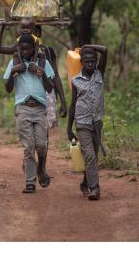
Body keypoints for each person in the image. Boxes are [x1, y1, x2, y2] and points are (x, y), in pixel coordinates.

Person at [3, 34, 54, 193]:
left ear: (34, 49)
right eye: (22, 49)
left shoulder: (43, 62)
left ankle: (41, 168)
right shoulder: (14, 63)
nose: (25, 51)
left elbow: (50, 87)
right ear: (18, 49)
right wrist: (13, 72)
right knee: (29, 147)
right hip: (23, 108)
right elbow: (8, 88)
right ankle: (30, 182)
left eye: (28, 49)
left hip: (39, 109)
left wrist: (41, 72)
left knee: (41, 145)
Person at [67, 44, 107, 201]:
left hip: (97, 123)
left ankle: (85, 182)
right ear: (82, 61)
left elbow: (105, 50)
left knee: (93, 157)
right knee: (89, 156)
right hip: (82, 123)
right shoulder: (76, 81)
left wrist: (87, 46)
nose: (91, 64)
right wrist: (69, 128)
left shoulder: (99, 74)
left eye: (93, 61)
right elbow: (73, 105)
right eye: (87, 61)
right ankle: (94, 188)